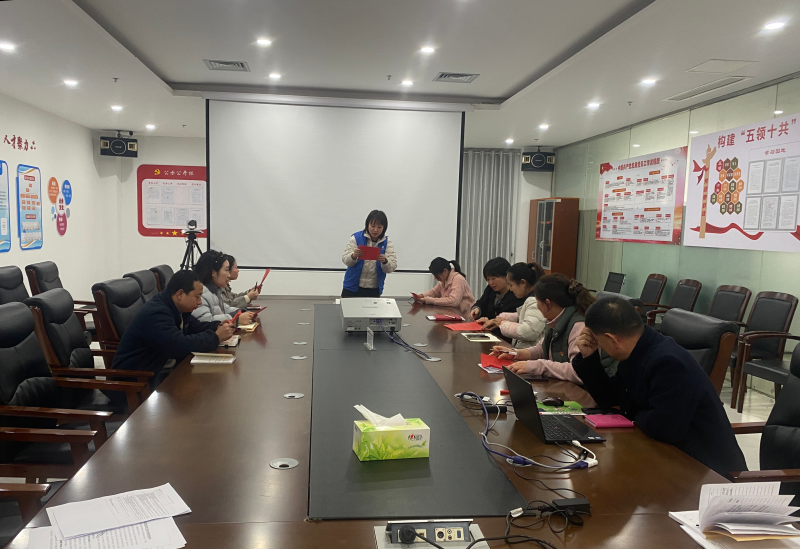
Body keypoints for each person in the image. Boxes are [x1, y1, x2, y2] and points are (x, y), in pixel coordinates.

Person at [572, 296, 747, 477]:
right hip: (668, 457)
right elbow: (610, 398)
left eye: (600, 342)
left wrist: (631, 413)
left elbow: (664, 428)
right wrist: (589, 357)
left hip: (705, 471)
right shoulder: (638, 349)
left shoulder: (669, 363)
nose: (600, 346)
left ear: (612, 339)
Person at [106, 270, 236, 406]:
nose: (199, 302)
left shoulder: (177, 307)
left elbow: (195, 327)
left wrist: (217, 326)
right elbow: (179, 346)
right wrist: (216, 337)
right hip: (134, 385)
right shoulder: (157, 314)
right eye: (197, 297)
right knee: (196, 401)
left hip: (159, 373)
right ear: (180, 294)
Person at [491, 274, 593, 382]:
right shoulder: (555, 319)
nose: (537, 306)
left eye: (537, 301)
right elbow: (542, 349)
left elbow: (577, 372)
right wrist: (515, 354)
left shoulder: (579, 326)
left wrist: (538, 366)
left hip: (578, 390)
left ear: (547, 303)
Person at [479, 262, 546, 348]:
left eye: (511, 285)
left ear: (523, 283)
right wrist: (497, 320)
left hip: (530, 352)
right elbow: (523, 316)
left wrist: (503, 324)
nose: (510, 289)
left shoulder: (534, 301)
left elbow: (528, 331)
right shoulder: (532, 299)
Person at [341, 210, 398, 297]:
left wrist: (385, 261)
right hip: (352, 287)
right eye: (373, 226)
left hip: (373, 289)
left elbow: (392, 267)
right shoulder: (356, 238)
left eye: (379, 227)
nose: (375, 230)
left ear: (384, 228)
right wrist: (353, 256)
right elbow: (346, 260)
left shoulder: (387, 243)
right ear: (367, 224)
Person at [193, 250, 256, 324]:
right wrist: (236, 318)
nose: (229, 275)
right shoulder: (200, 293)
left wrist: (242, 312)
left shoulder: (215, 290)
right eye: (226, 270)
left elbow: (225, 309)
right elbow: (206, 321)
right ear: (213, 273)